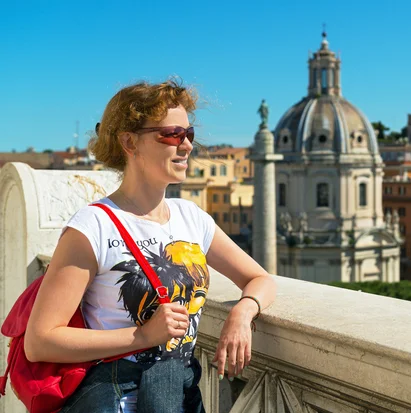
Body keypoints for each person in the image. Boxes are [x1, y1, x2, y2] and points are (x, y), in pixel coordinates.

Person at [23, 79, 277, 413]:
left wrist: (243, 313)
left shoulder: (192, 218)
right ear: (129, 142)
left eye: (189, 135)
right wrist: (141, 337)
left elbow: (261, 279)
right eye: (172, 134)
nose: (186, 146)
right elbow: (40, 341)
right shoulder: (92, 227)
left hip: (180, 393)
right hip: (117, 400)